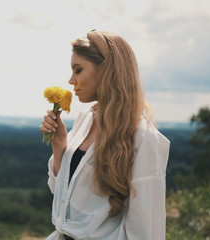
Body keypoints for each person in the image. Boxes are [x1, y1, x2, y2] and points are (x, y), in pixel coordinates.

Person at [39, 29, 170, 240]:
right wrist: (60, 144)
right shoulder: (84, 121)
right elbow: (59, 192)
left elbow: (147, 230)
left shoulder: (143, 139)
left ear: (107, 70)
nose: (71, 80)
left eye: (78, 70)